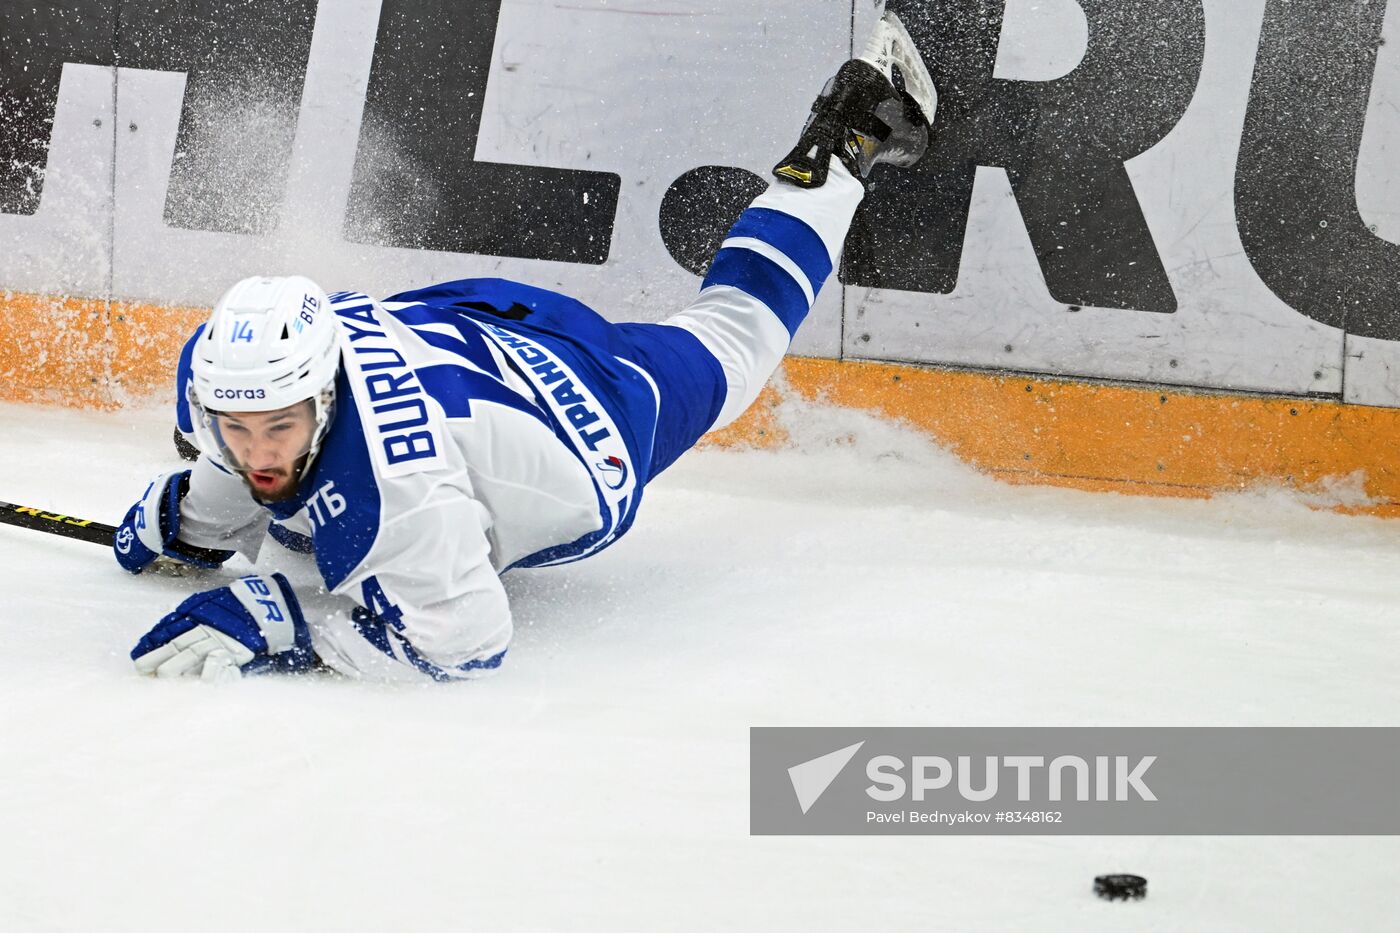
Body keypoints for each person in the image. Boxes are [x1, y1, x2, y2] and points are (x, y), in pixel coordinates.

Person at [115, 12, 938, 682]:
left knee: (737, 337)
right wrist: (187, 523)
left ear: (323, 397)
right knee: (295, 520)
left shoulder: (403, 495)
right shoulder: (241, 361)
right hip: (491, 328)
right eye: (237, 424)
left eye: (280, 426)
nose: (254, 445)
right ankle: (839, 139)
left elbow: (465, 640)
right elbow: (237, 452)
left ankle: (849, 153)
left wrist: (288, 626)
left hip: (598, 427)